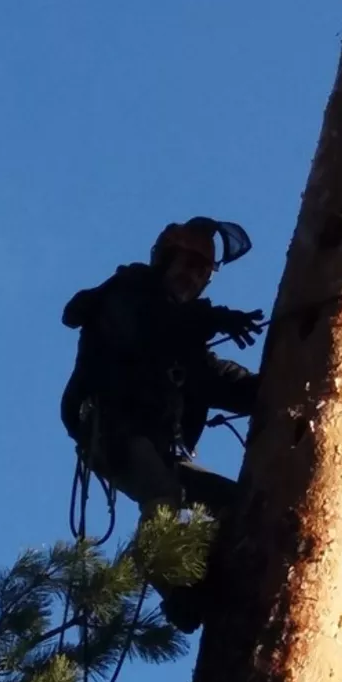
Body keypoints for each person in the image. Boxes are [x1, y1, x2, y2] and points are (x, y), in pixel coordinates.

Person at [61, 217, 264, 539]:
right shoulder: (126, 293)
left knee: (236, 504)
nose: (194, 277)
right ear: (165, 259)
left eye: (203, 272)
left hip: (159, 451)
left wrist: (278, 386)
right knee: (163, 496)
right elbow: (151, 327)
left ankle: (215, 580)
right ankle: (161, 565)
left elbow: (221, 379)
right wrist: (213, 318)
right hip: (112, 430)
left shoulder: (187, 345)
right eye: (190, 264)